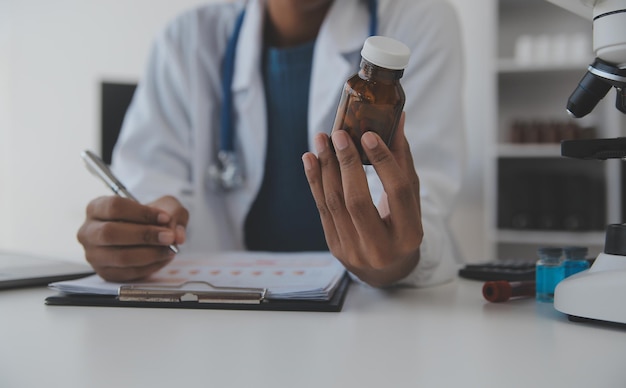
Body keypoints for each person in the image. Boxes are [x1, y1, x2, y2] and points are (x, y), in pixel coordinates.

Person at [77, 0, 465, 288]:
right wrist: (138, 231)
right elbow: (150, 185)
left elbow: (422, 206)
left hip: (372, 324)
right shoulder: (185, 41)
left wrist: (393, 259)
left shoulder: (418, 18)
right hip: (223, 321)